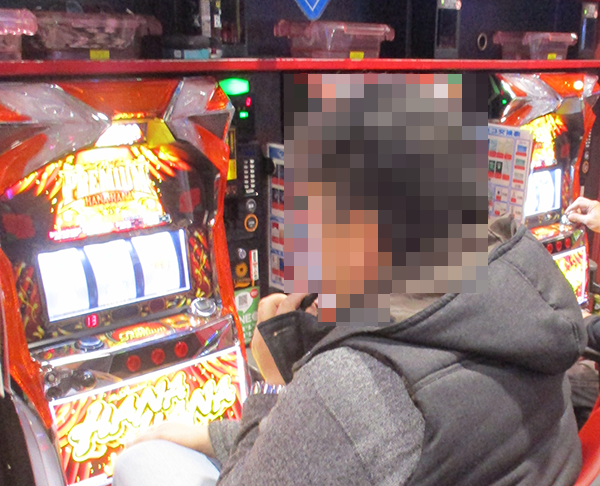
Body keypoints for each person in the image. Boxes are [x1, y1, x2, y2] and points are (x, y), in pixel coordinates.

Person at [114, 73, 586, 485]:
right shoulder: (523, 300)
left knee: (143, 460)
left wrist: (271, 380)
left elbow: (343, 428)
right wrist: (217, 434)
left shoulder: (357, 384)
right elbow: (347, 448)